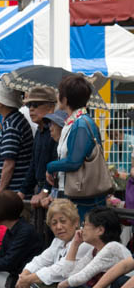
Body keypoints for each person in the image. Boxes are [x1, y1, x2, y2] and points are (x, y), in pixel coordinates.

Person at [13, 198, 84, 288]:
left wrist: (31, 278)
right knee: (34, 284)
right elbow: (41, 260)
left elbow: (61, 271)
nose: (59, 227)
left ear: (76, 222)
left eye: (63, 221)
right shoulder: (58, 241)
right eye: (54, 223)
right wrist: (24, 275)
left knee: (50, 283)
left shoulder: (82, 242)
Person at [46, 74, 109, 220]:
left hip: (81, 196)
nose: (57, 96)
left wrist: (50, 166)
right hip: (76, 192)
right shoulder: (75, 122)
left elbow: (73, 162)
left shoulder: (80, 124)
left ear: (65, 99)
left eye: (59, 93)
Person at [0, 82, 32, 193]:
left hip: (11, 193)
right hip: (12, 191)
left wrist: (0, 191)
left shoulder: (12, 125)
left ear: (1, 103)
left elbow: (9, 163)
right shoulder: (13, 121)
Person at [19, 85, 59, 206]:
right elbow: (33, 165)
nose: (31, 109)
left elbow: (56, 165)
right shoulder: (39, 131)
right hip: (39, 188)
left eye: (35, 105)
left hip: (52, 192)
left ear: (51, 107)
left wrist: (45, 191)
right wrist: (22, 191)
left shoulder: (55, 131)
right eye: (28, 105)